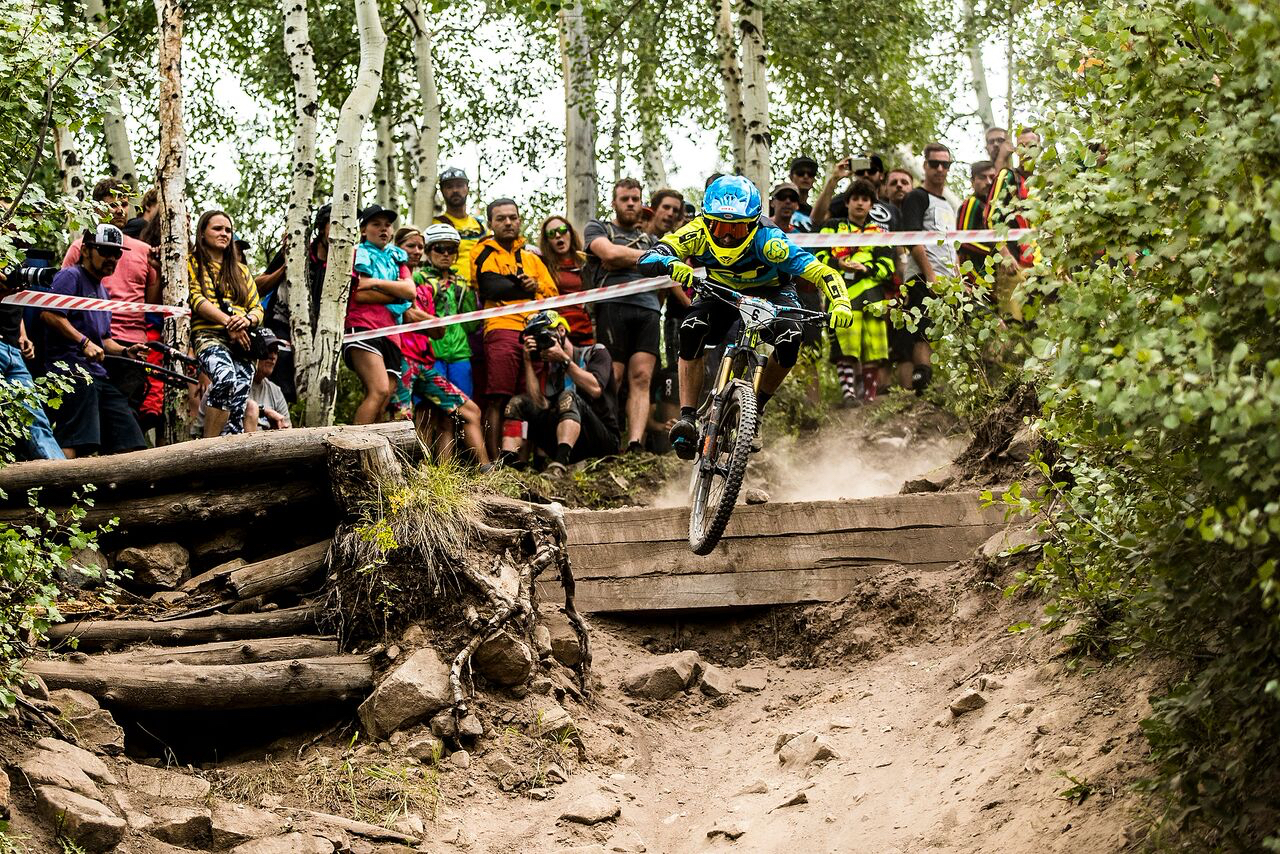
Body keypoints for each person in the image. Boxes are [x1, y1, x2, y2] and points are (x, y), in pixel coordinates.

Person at [633, 175, 855, 459]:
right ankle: (687, 417)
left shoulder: (771, 240)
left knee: (791, 337)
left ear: (752, 225)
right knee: (691, 327)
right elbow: (647, 258)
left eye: (736, 229)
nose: (726, 236)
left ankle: (756, 409)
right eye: (719, 226)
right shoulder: (697, 231)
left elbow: (823, 272)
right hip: (721, 290)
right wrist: (670, 262)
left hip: (772, 292)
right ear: (707, 220)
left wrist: (841, 303)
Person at [39, 225, 148, 458]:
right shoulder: (71, 276)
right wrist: (83, 342)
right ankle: (62, 480)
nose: (112, 258)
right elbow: (48, 314)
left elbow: (104, 339)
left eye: (117, 253)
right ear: (86, 250)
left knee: (128, 436)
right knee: (75, 439)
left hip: (98, 374)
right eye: (105, 251)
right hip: (70, 371)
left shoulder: (103, 291)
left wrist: (125, 351)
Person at [62, 178, 162, 422]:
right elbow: (58, 301)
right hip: (88, 344)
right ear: (97, 208)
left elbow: (151, 302)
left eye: (124, 204)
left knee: (126, 416)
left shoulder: (143, 250)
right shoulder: (80, 247)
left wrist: (158, 269)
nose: (119, 210)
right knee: (88, 417)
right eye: (112, 204)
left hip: (131, 344)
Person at [393, 229, 490, 467]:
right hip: (428, 352)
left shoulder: (462, 283)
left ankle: (445, 468)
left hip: (459, 352)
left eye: (451, 249)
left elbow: (471, 322)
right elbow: (408, 312)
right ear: (429, 251)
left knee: (453, 412)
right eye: (439, 248)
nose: (445, 254)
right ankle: (420, 464)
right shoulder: (418, 278)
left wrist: (467, 297)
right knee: (427, 411)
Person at [471, 198, 558, 459]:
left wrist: (535, 286)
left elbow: (553, 294)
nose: (508, 222)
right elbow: (489, 287)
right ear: (490, 223)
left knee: (526, 398)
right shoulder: (482, 251)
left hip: (533, 329)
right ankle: (493, 460)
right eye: (501, 218)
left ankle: (519, 459)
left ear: (519, 220)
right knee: (498, 396)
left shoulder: (532, 258)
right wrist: (526, 289)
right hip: (501, 327)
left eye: (513, 217)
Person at [584, 178, 659, 454]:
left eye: (635, 199)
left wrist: (621, 258)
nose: (630, 204)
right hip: (612, 306)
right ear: (614, 202)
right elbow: (608, 252)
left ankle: (635, 443)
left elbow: (663, 265)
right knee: (612, 376)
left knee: (642, 376)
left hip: (649, 308)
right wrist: (646, 258)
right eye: (625, 199)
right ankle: (607, 440)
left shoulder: (654, 240)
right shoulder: (598, 228)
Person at [500, 310, 619, 476]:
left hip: (603, 441)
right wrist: (527, 360)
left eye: (544, 337)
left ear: (561, 331)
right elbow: (540, 404)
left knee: (568, 396)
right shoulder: (551, 369)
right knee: (517, 403)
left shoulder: (595, 352)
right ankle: (506, 467)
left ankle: (559, 465)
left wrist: (564, 359)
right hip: (572, 444)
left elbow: (595, 389)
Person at [817, 179, 894, 404]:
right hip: (840, 294)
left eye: (865, 199)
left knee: (874, 347)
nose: (860, 203)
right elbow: (817, 256)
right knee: (845, 347)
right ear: (847, 202)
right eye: (855, 199)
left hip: (873, 296)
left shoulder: (879, 232)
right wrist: (837, 263)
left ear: (871, 205)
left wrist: (866, 268)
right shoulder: (831, 227)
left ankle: (869, 397)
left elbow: (888, 267)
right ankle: (848, 395)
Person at [188, 210, 264, 436]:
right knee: (225, 378)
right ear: (202, 233)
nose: (224, 234)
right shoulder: (192, 262)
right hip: (208, 336)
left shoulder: (241, 270)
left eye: (228, 230)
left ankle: (229, 450)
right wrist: (229, 323)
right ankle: (208, 446)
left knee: (240, 398)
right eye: (217, 229)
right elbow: (195, 298)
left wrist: (246, 320)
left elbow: (257, 308)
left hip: (243, 341)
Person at [341, 204, 416, 425]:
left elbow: (410, 291)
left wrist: (375, 282)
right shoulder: (356, 253)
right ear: (363, 230)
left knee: (384, 399)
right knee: (379, 390)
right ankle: (354, 445)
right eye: (376, 224)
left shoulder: (397, 257)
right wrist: (396, 293)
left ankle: (373, 445)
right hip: (362, 327)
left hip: (392, 334)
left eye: (388, 225)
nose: (384, 229)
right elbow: (360, 294)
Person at [896, 143, 959, 394]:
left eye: (945, 164)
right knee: (922, 332)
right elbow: (913, 238)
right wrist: (930, 275)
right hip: (923, 276)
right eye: (934, 163)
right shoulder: (917, 197)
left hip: (949, 278)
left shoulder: (948, 204)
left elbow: (952, 245)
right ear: (925, 166)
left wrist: (958, 278)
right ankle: (922, 393)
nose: (940, 169)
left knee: (971, 324)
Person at [0, 267, 64, 460]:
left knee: (36, 420)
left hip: (12, 349)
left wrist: (23, 334)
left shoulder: (15, 255)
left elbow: (13, 301)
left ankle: (61, 474)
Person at [985, 127, 1041, 321]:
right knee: (1013, 326)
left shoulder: (1045, 182)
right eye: (1021, 146)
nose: (1026, 151)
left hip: (1042, 266)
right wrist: (1005, 255)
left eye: (1031, 146)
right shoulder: (1007, 177)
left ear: (1039, 148)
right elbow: (991, 218)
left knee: (1042, 325)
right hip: (1015, 264)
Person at [537, 216, 593, 344]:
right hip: (557, 333)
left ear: (570, 233)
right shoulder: (542, 266)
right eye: (551, 233)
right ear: (547, 241)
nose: (558, 235)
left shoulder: (586, 262)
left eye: (562, 230)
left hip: (587, 331)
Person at [433, 167, 487, 285]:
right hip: (451, 289)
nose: (455, 190)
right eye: (449, 187)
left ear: (467, 188)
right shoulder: (435, 224)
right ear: (442, 191)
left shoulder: (481, 226)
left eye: (459, 185)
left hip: (482, 289)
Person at [957, 160, 998, 277]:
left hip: (989, 274)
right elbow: (963, 241)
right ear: (972, 181)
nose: (989, 182)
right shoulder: (972, 203)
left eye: (992, 177)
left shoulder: (991, 207)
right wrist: (995, 252)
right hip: (974, 275)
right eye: (982, 177)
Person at [246, 332, 292, 431]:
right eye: (269, 350)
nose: (273, 356)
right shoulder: (236, 382)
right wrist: (265, 412)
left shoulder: (275, 391)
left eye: (276, 351)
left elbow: (287, 428)